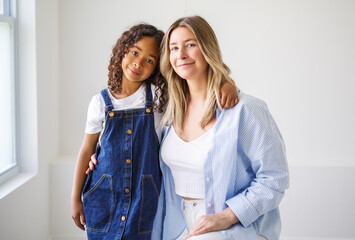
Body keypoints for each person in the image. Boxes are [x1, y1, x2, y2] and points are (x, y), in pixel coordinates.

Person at [71, 23, 239, 240]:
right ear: (122, 50)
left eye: (149, 60)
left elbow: (198, 82)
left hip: (144, 198)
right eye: (134, 53)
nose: (138, 63)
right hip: (104, 197)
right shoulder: (99, 103)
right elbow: (87, 151)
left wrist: (227, 82)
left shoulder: (159, 96)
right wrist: (75, 198)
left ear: (157, 66)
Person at [152, 16, 289, 240]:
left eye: (190, 45)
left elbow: (274, 178)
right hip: (181, 225)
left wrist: (226, 216)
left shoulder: (245, 109)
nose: (181, 55)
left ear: (207, 48)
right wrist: (95, 153)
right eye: (174, 48)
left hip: (238, 226)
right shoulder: (168, 113)